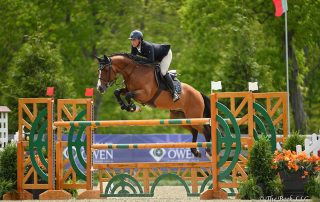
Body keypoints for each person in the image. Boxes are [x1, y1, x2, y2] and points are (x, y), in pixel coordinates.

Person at [128, 30, 179, 102]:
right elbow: (133, 59)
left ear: (139, 40)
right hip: (155, 57)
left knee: (163, 71)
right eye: (131, 40)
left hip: (165, 54)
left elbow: (151, 61)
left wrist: (137, 59)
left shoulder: (147, 46)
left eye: (134, 40)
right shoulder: (134, 46)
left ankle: (174, 93)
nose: (132, 42)